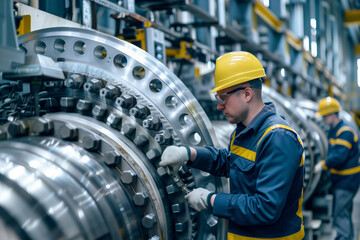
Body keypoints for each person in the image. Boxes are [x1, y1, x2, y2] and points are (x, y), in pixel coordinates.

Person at [160, 51, 305, 239]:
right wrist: (189, 154)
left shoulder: (278, 138)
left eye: (223, 98)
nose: (219, 106)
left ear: (246, 94)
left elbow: (265, 208)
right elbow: (231, 163)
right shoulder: (245, 130)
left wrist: (210, 199)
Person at [314, 97, 360, 240]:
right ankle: (348, 236)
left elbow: (339, 156)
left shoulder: (344, 131)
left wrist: (323, 164)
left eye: (324, 116)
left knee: (340, 213)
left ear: (332, 115)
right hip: (341, 180)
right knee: (344, 212)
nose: (322, 120)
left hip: (347, 180)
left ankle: (344, 237)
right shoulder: (335, 130)